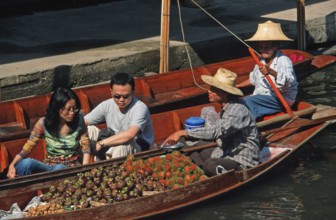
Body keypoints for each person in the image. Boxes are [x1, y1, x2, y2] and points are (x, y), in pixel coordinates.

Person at [161, 68, 260, 176]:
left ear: (225, 93)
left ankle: (212, 174)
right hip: (224, 152)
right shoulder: (226, 107)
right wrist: (186, 136)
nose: (209, 91)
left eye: (213, 89)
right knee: (188, 145)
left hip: (241, 160)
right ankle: (199, 171)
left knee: (210, 165)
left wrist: (182, 132)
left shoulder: (238, 110)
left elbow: (216, 131)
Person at [7, 88, 90, 178]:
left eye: (74, 108)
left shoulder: (79, 120)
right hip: (49, 166)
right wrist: (12, 164)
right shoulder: (43, 123)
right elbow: (28, 146)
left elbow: (86, 148)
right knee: (25, 164)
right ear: (58, 109)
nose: (72, 113)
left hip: (70, 167)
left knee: (59, 168)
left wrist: (84, 169)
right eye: (68, 109)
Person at [84, 72, 154, 160]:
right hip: (111, 141)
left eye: (126, 96)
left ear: (133, 92)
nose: (121, 100)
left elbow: (130, 134)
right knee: (87, 129)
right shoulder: (107, 105)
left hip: (137, 146)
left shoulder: (140, 108)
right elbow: (84, 122)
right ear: (111, 92)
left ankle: (110, 169)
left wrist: (100, 143)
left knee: (120, 148)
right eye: (117, 96)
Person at [242, 20, 298, 120]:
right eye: (261, 47)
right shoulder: (261, 60)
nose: (263, 50)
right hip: (263, 97)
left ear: (276, 46)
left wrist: (271, 72)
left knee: (249, 101)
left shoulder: (283, 60)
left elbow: (289, 81)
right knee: (238, 103)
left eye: (267, 47)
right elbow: (253, 79)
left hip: (281, 99)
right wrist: (236, 86)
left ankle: (251, 127)